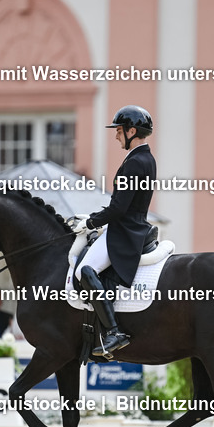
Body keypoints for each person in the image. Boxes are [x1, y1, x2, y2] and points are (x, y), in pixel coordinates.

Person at [73, 105, 156, 358]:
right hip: (131, 225)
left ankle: (113, 332)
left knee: (83, 270)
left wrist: (90, 223)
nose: (116, 135)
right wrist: (95, 217)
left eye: (119, 131)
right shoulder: (145, 158)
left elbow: (119, 207)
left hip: (125, 232)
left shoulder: (135, 162)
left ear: (132, 131)